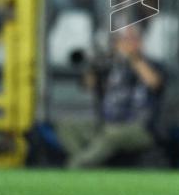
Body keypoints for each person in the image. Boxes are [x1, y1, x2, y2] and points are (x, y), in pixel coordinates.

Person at [57, 25, 165, 168]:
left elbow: (153, 82)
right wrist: (93, 62)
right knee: (67, 126)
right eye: (122, 40)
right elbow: (88, 85)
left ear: (140, 42)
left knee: (111, 134)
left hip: (140, 128)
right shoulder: (110, 66)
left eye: (131, 39)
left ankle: (77, 166)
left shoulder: (153, 64)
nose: (126, 44)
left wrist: (132, 57)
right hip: (106, 124)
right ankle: (89, 164)